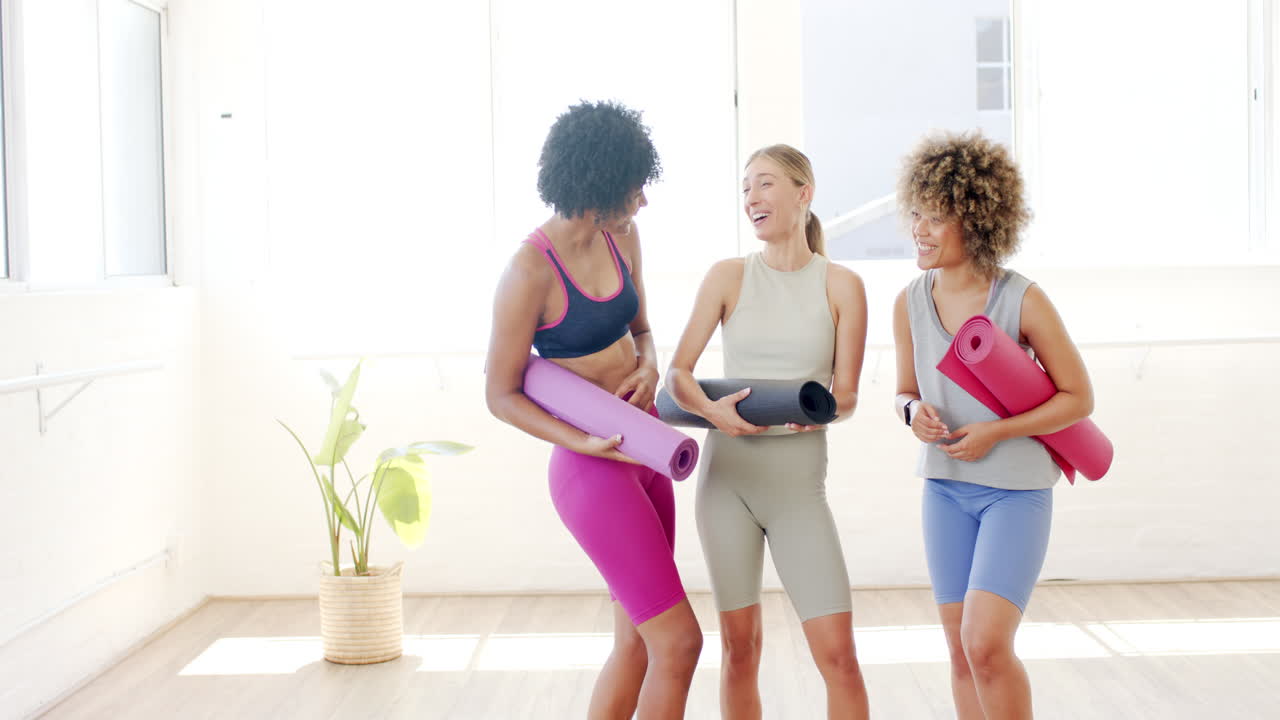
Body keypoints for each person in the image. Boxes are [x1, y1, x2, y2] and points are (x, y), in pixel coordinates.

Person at [485, 100, 701, 720]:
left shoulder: (624, 235)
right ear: (597, 185)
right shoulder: (528, 273)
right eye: (634, 186)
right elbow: (500, 393)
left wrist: (650, 365)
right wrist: (576, 441)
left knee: (637, 643)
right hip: (593, 470)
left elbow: (642, 329)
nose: (643, 200)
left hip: (650, 448)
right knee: (680, 642)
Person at [891, 131, 1095, 719]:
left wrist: (997, 432)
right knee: (960, 652)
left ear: (976, 220)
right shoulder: (908, 301)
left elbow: (1079, 397)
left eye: (936, 218)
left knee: (986, 644)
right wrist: (912, 414)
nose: (919, 230)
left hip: (1016, 493)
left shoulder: (1022, 299)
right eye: (916, 214)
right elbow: (904, 391)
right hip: (944, 488)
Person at [666, 144, 870, 719]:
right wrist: (713, 414)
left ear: (804, 193)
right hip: (727, 481)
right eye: (745, 188)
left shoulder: (842, 285)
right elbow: (677, 374)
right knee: (739, 650)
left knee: (839, 656)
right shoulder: (728, 277)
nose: (751, 198)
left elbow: (848, 395)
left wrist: (809, 409)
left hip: (797, 489)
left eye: (765, 184)